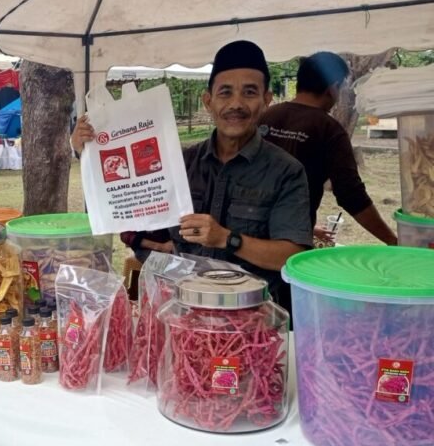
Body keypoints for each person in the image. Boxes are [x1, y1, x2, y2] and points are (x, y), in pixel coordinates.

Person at [72, 40, 312, 309]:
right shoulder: (179, 163)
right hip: (181, 313)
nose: (236, 104)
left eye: (249, 92)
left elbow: (292, 257)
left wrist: (227, 239)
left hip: (250, 320)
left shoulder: (286, 171)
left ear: (266, 100)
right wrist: (89, 151)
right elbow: (128, 213)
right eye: (225, 93)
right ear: (208, 101)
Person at [260, 51, 397, 245]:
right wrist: (392, 240)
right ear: (333, 88)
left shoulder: (266, 117)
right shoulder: (329, 129)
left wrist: (310, 227)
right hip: (287, 244)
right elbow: (351, 195)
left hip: (246, 235)